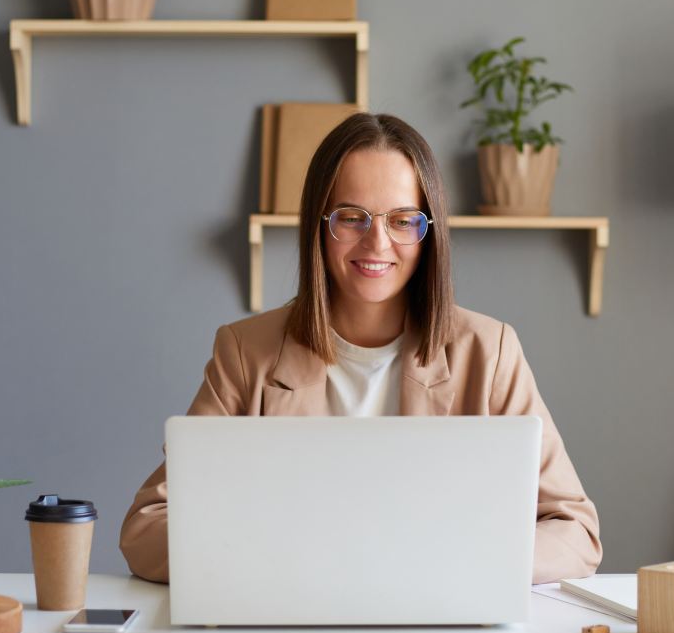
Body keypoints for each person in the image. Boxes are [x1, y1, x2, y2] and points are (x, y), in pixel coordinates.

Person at [120, 113, 601, 584]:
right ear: (318, 225)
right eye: (352, 218)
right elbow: (148, 528)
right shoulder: (246, 352)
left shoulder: (490, 352)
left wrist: (453, 561)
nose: (378, 243)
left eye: (403, 220)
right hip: (291, 617)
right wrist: (277, 559)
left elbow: (574, 531)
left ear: (428, 231)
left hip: (439, 621)